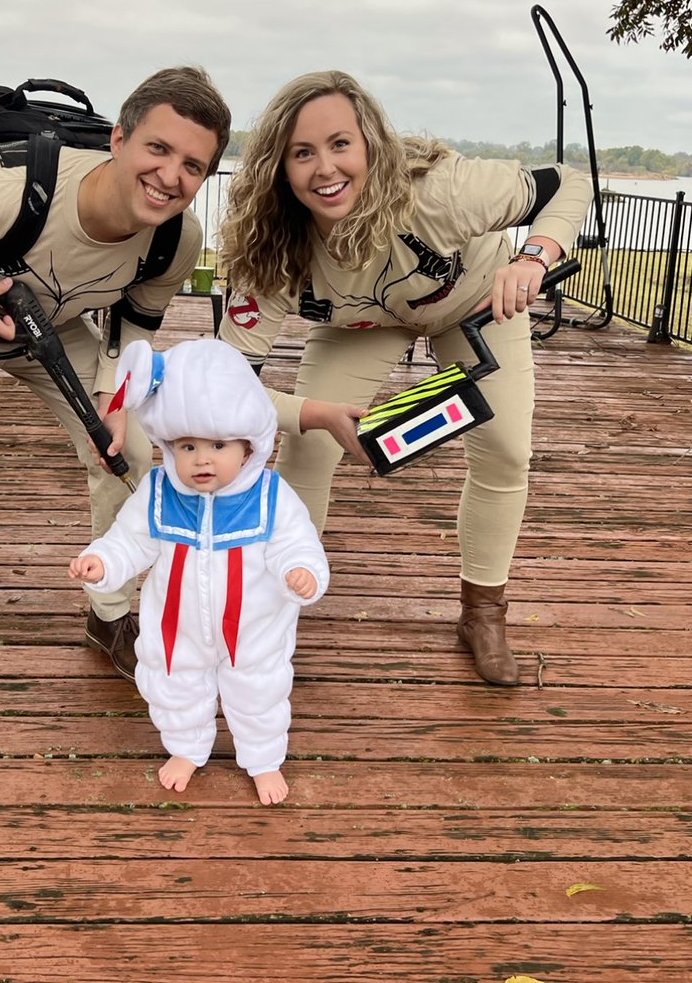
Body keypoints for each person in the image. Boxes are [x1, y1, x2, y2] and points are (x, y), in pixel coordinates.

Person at [0, 66, 231, 726]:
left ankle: (109, 614)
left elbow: (136, 322)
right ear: (118, 139)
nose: (171, 176)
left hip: (50, 332)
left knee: (128, 452)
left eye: (194, 166)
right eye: (158, 148)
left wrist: (110, 396)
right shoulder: (1, 185)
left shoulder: (178, 238)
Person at [218, 70, 592, 687]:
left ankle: (482, 613)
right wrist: (311, 414)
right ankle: (276, 606)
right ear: (277, 168)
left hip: (473, 305)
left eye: (340, 144)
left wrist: (536, 256)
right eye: (301, 153)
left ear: (370, 144)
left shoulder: (442, 193)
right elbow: (225, 384)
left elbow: (566, 184)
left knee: (505, 451)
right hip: (363, 325)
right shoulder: (272, 244)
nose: (324, 168)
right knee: (307, 449)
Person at [69, 338, 329, 804]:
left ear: (250, 446)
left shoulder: (270, 495)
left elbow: (297, 541)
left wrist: (301, 570)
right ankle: (187, 748)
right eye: (187, 445)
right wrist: (104, 562)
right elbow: (130, 539)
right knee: (174, 686)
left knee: (258, 693)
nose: (202, 459)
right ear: (168, 446)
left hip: (254, 629)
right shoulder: (159, 491)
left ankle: (264, 758)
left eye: (218, 444)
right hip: (177, 625)